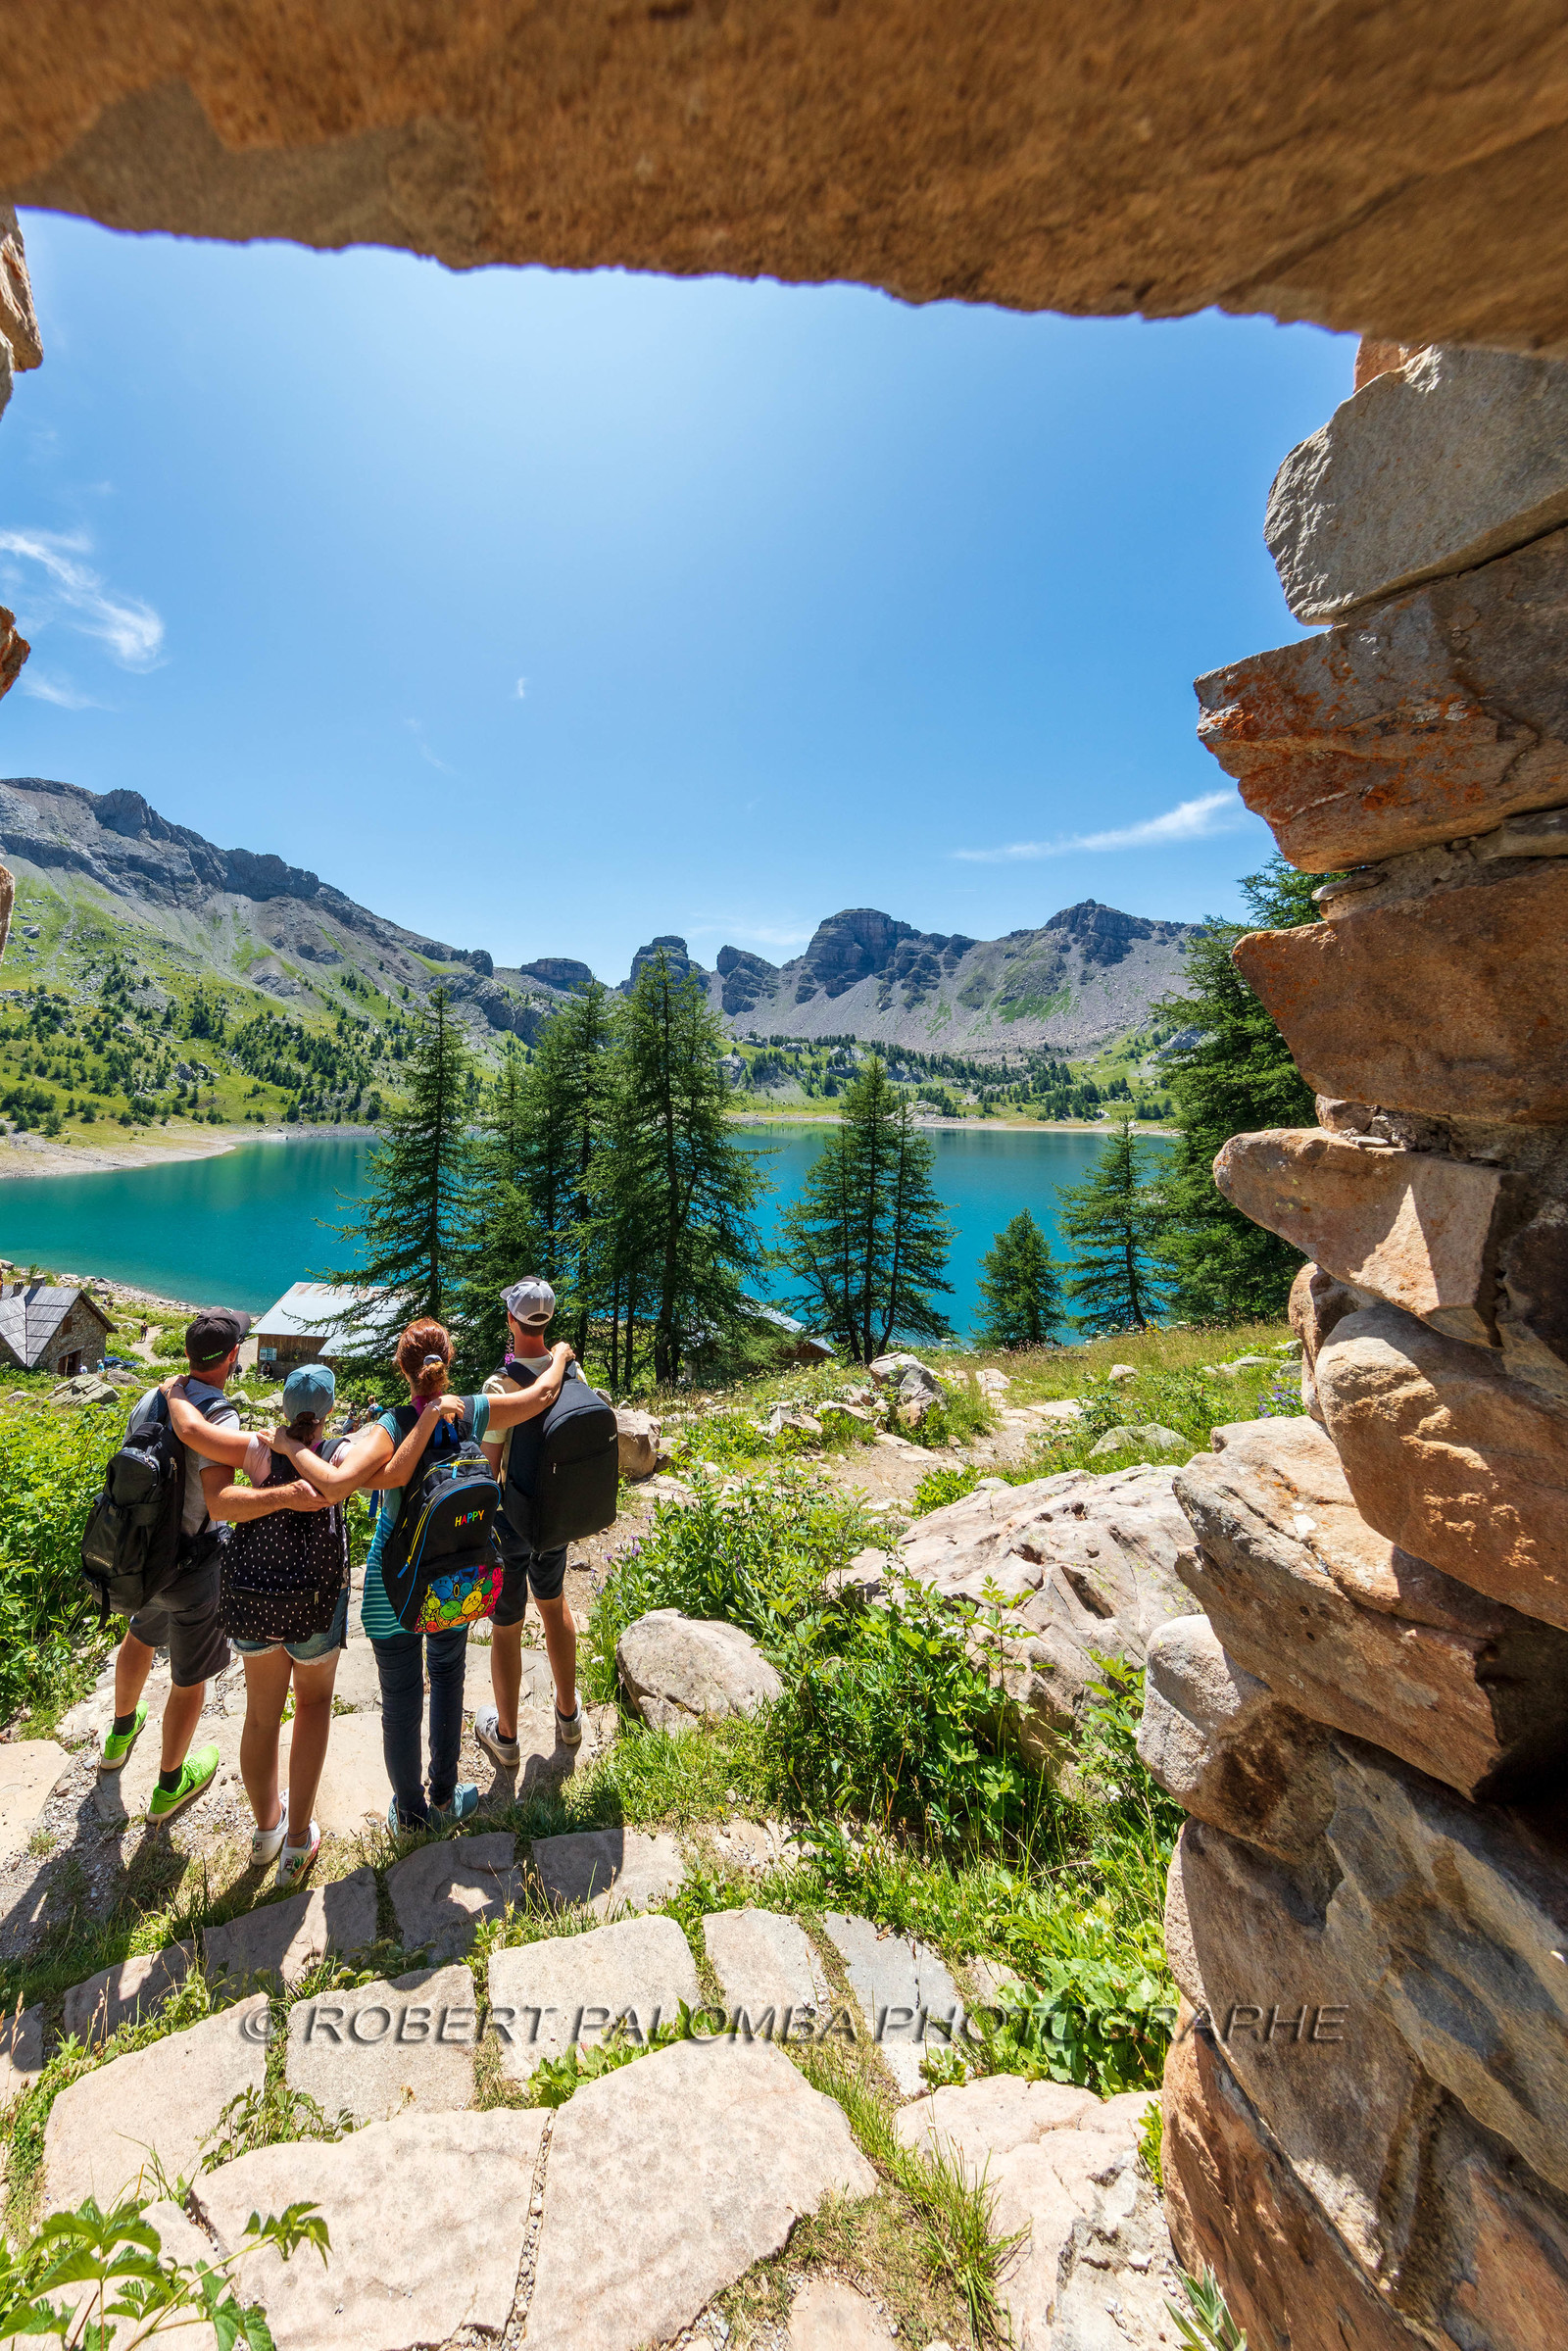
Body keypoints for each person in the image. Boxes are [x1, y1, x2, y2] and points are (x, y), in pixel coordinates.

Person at [272, 1316, 574, 1832]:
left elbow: (344, 1484)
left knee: (401, 1699)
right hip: (456, 1576)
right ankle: (444, 1792)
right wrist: (563, 1353)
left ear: (402, 1370)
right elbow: (544, 1395)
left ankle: (409, 1813)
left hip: (395, 1584)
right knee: (450, 1678)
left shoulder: (387, 1427)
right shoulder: (472, 1413)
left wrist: (289, 1445)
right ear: (447, 1361)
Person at [98, 1307, 256, 1825]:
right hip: (192, 1564)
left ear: (189, 1355)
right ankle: (170, 1784)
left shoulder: (154, 1395)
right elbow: (219, 1501)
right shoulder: (220, 1414)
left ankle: (121, 1733)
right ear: (231, 1357)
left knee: (141, 1635)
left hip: (142, 1558)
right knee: (189, 1676)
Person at [201, 1362, 348, 1883]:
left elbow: (207, 1462)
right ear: (328, 1411)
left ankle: (267, 1830)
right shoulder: (337, 1454)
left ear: (284, 1408)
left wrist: (176, 1398)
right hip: (312, 1607)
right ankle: (299, 1839)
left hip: (255, 1599)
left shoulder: (255, 1449)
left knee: (261, 1717)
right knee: (311, 1706)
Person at [475, 1276, 584, 1768]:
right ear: (548, 1321)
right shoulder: (573, 1375)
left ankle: (507, 1735)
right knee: (554, 1602)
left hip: (511, 1520)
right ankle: (568, 1715)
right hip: (554, 1516)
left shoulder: (500, 1386)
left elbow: (488, 1467)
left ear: (511, 1321)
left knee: (507, 1624)